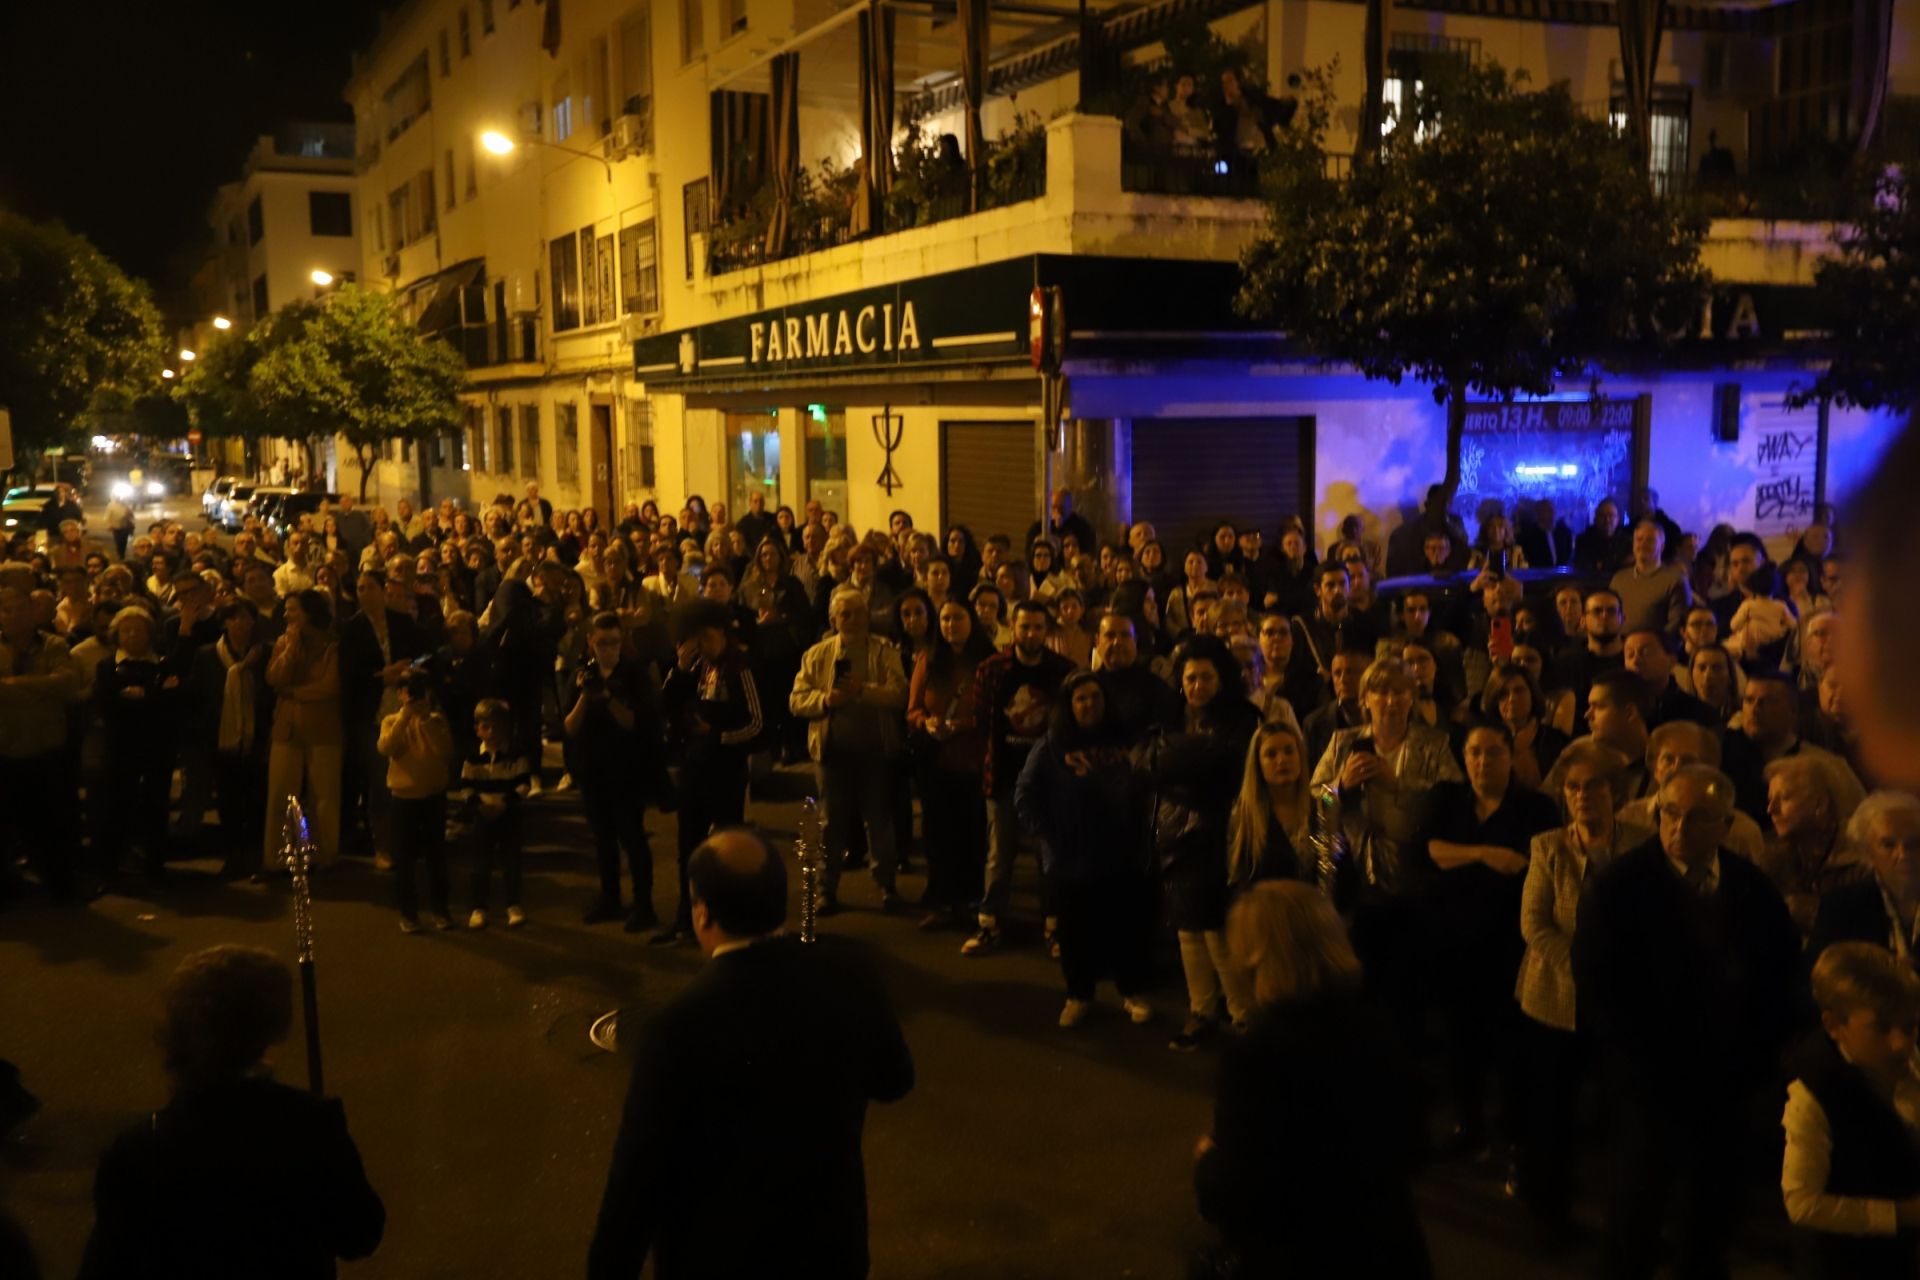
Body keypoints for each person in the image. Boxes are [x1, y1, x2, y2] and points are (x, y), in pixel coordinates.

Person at [587, 829, 914, 1280]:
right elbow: (895, 1080)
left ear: (702, 913)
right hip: (830, 1249)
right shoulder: (851, 972)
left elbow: (635, 1187)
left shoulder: (677, 1028)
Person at [1574, 764, 1801, 1280]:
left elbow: (1777, 975)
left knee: (1712, 1206)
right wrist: (1636, 1066)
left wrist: (1755, 1058)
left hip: (1728, 1078)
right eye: (1669, 813)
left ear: (1724, 823)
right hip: (1648, 1079)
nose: (1678, 827)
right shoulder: (1620, 887)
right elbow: (1599, 987)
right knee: (1638, 1205)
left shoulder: (1749, 887)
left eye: (1696, 817)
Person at [77, 946, 384, 1278]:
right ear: (271, 1028)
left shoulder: (137, 1153)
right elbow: (360, 1235)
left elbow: (105, 1267)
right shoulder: (309, 1126)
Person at [1194, 882, 1432, 1279]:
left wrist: (1207, 1160)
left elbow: (1236, 1193)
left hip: (1301, 1257)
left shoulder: (1257, 1056)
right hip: (1386, 1249)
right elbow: (1414, 1145)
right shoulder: (1375, 1028)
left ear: (1257, 958)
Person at [1513, 740, 1651, 1239]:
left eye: (1593, 785)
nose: (1583, 795)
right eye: (1573, 786)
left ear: (1615, 791)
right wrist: (1584, 968)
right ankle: (1548, 1215)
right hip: (1554, 999)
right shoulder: (1547, 846)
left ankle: (1632, 1225)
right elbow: (1534, 924)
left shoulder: (1643, 843)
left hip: (1623, 1004)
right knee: (1551, 1114)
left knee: (1627, 1118)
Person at [1420, 722, 1560, 1158]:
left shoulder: (1535, 808)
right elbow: (1427, 850)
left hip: (1511, 946)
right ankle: (1471, 1125)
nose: (1482, 762)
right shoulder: (1447, 798)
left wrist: (1458, 856)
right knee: (1463, 1042)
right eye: (1475, 753)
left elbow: (1526, 865)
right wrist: (1483, 853)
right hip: (1454, 943)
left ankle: (1518, 1136)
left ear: (1511, 756)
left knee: (1514, 1048)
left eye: (1493, 753)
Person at [1310, 657, 1463, 1042]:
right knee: (1363, 977)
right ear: (1365, 699)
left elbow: (1453, 803)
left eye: (1400, 691)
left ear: (1412, 698)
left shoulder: (1434, 743)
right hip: (1359, 875)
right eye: (1381, 691)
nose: (1391, 700)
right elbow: (1316, 800)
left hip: (1414, 876)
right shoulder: (1344, 742)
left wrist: (1398, 786)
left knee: (1408, 982)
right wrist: (1339, 787)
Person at [1016, 671, 1156, 1027]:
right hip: (1072, 857)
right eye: (1080, 698)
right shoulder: (1051, 745)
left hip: (1122, 852)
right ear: (1068, 705)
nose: (1089, 704)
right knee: (1075, 931)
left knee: (1126, 926)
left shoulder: (1125, 739)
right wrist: (1049, 835)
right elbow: (1026, 795)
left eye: (1095, 697)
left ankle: (1132, 991)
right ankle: (1079, 994)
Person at [1143, 634, 1261, 1049]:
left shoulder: (1242, 718)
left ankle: (1242, 1013)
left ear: (1221, 678)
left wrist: (1177, 760)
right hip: (1175, 832)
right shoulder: (1173, 715)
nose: (1197, 686)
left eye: (1206, 677)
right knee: (1187, 930)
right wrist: (1189, 757)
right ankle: (1202, 1010)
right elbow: (1148, 761)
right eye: (1190, 678)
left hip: (1219, 833)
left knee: (1218, 928)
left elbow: (1226, 765)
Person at [1782, 942, 1920, 1278]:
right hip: (1847, 1263)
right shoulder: (1813, 1093)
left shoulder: (1908, 1062)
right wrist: (1901, 1214)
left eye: (1910, 1026)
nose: (1901, 1042)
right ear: (1833, 1025)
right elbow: (1802, 1203)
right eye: (1882, 1029)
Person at [964, 598, 1075, 953]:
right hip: (1003, 773)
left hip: (1049, 780)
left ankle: (1054, 926)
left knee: (1050, 857)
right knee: (1000, 855)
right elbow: (981, 721)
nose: (1031, 633)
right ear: (1013, 628)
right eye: (1024, 626)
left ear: (1047, 630)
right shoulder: (993, 668)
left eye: (1038, 627)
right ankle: (990, 923)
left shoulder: (1062, 670)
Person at [790, 586, 910, 914]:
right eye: (845, 614)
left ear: (868, 616)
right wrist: (827, 700)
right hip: (833, 753)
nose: (853, 619)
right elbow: (796, 700)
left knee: (879, 822)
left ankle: (887, 885)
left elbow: (900, 694)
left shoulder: (884, 651)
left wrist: (862, 692)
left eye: (859, 613)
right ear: (833, 619)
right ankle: (827, 889)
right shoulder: (817, 655)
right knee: (831, 824)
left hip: (875, 751)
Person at [657, 599, 763, 947]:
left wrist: (719, 735)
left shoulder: (739, 667)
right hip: (695, 768)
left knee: (728, 848)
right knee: (688, 846)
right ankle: (687, 917)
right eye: (696, 639)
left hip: (726, 771)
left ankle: (733, 921)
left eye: (706, 637)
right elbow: (669, 703)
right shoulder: (699, 668)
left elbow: (756, 723)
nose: (702, 645)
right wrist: (679, 670)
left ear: (721, 633)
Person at [567, 612, 667, 930]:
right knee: (603, 840)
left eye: (614, 642)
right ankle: (610, 899)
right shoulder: (581, 676)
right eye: (602, 643)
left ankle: (644, 905)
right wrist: (586, 695)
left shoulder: (635, 674)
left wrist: (608, 697)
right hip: (592, 770)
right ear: (590, 642)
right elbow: (569, 727)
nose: (608, 649)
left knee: (632, 838)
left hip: (627, 771)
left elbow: (634, 722)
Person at [907, 599, 993, 930]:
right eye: (944, 618)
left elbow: (993, 712)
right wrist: (925, 723)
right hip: (936, 761)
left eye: (957, 618)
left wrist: (963, 725)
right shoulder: (928, 660)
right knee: (938, 833)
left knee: (971, 833)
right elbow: (912, 708)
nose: (950, 624)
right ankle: (942, 899)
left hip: (972, 760)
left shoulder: (986, 661)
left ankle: (970, 900)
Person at [0, 584, 80, 901]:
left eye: (19, 608)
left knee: (50, 824)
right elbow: (52, 685)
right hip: (4, 750)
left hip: (44, 750)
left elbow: (67, 683)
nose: (13, 616)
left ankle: (59, 884)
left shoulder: (53, 646)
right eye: (6, 610)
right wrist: (40, 688)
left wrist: (12, 686)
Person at [186, 600, 273, 877]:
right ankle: (234, 854)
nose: (242, 624)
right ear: (225, 622)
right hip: (222, 737)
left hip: (257, 736)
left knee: (257, 798)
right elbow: (198, 696)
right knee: (229, 798)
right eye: (235, 618)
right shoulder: (208, 655)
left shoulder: (264, 653)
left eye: (247, 618)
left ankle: (255, 854)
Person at [1618, 719, 1768, 860]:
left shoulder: (1741, 831)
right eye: (1668, 759)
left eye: (1688, 761)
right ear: (1655, 767)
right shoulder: (1628, 818)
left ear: (1709, 767)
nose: (1676, 768)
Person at [1762, 754, 1872, 938]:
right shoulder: (1771, 856)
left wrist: (1816, 912)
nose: (1771, 809)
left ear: (1820, 804)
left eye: (1784, 798)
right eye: (1770, 799)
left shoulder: (1862, 859)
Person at [1811, 792, 1920, 968]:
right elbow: (1818, 979)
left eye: (1914, 843)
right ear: (1868, 853)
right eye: (1888, 844)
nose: (1903, 854)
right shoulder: (1841, 908)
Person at [453, 697, 531, 929]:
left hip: (509, 814)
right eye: (487, 726)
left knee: (511, 862)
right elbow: (466, 786)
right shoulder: (473, 757)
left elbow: (524, 784)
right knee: (481, 864)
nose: (493, 732)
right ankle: (479, 907)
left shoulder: (517, 754)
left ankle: (513, 904)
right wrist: (479, 805)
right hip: (483, 816)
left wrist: (504, 803)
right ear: (477, 729)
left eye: (498, 726)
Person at [1610, 519, 1692, 636]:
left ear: (1662, 546)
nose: (1643, 544)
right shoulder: (1618, 579)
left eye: (1650, 540)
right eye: (1639, 539)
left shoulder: (1675, 581)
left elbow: (1676, 625)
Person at [1571, 498, 1629, 574]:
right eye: (1602, 515)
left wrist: (1602, 565)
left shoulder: (1627, 542)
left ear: (1618, 519)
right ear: (1595, 518)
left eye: (1611, 515)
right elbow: (1582, 566)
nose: (1607, 520)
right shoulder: (1583, 541)